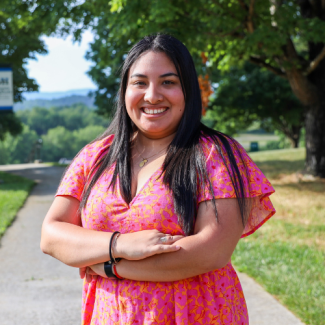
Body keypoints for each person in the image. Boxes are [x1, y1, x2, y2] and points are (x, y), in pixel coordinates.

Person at [41, 34, 275, 325]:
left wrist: (108, 266)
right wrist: (120, 245)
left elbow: (209, 252)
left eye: (168, 82)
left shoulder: (217, 155)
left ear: (188, 90)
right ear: (125, 91)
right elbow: (51, 235)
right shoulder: (95, 156)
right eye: (139, 82)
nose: (152, 95)